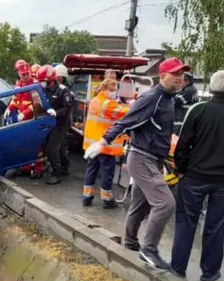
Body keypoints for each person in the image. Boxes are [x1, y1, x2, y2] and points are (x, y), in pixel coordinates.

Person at [84, 57, 190, 269]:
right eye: (176, 74)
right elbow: (125, 122)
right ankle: (149, 250)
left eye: (182, 74)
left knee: (139, 206)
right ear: (162, 76)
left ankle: (130, 243)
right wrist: (103, 142)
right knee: (165, 203)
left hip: (154, 159)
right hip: (143, 159)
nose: (180, 78)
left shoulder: (169, 99)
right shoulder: (152, 98)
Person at [171, 70, 224, 281]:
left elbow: (183, 144)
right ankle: (210, 272)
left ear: (211, 87)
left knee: (186, 221)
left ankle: (178, 267)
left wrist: (180, 169)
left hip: (194, 176)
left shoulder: (198, 110)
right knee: (217, 226)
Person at [83, 79, 129, 208]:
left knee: (91, 170)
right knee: (107, 173)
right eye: (114, 91)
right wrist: (134, 103)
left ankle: (87, 197)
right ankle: (107, 199)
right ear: (108, 90)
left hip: (92, 144)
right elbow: (126, 112)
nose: (115, 93)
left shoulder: (95, 100)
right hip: (104, 145)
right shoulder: (108, 104)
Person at [4, 61, 44, 178]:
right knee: (24, 144)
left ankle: (37, 169)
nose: (26, 76)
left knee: (36, 145)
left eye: (27, 74)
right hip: (22, 119)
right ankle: (25, 167)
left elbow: (37, 103)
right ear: (19, 74)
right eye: (23, 74)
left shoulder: (35, 85)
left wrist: (26, 112)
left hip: (33, 118)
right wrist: (9, 108)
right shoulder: (18, 85)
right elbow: (15, 100)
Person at [37, 65, 73, 184]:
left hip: (60, 124)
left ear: (52, 80)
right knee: (60, 148)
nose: (43, 84)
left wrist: (56, 113)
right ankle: (65, 167)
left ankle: (57, 173)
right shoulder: (44, 90)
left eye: (45, 82)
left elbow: (67, 108)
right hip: (49, 123)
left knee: (52, 148)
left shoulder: (63, 91)